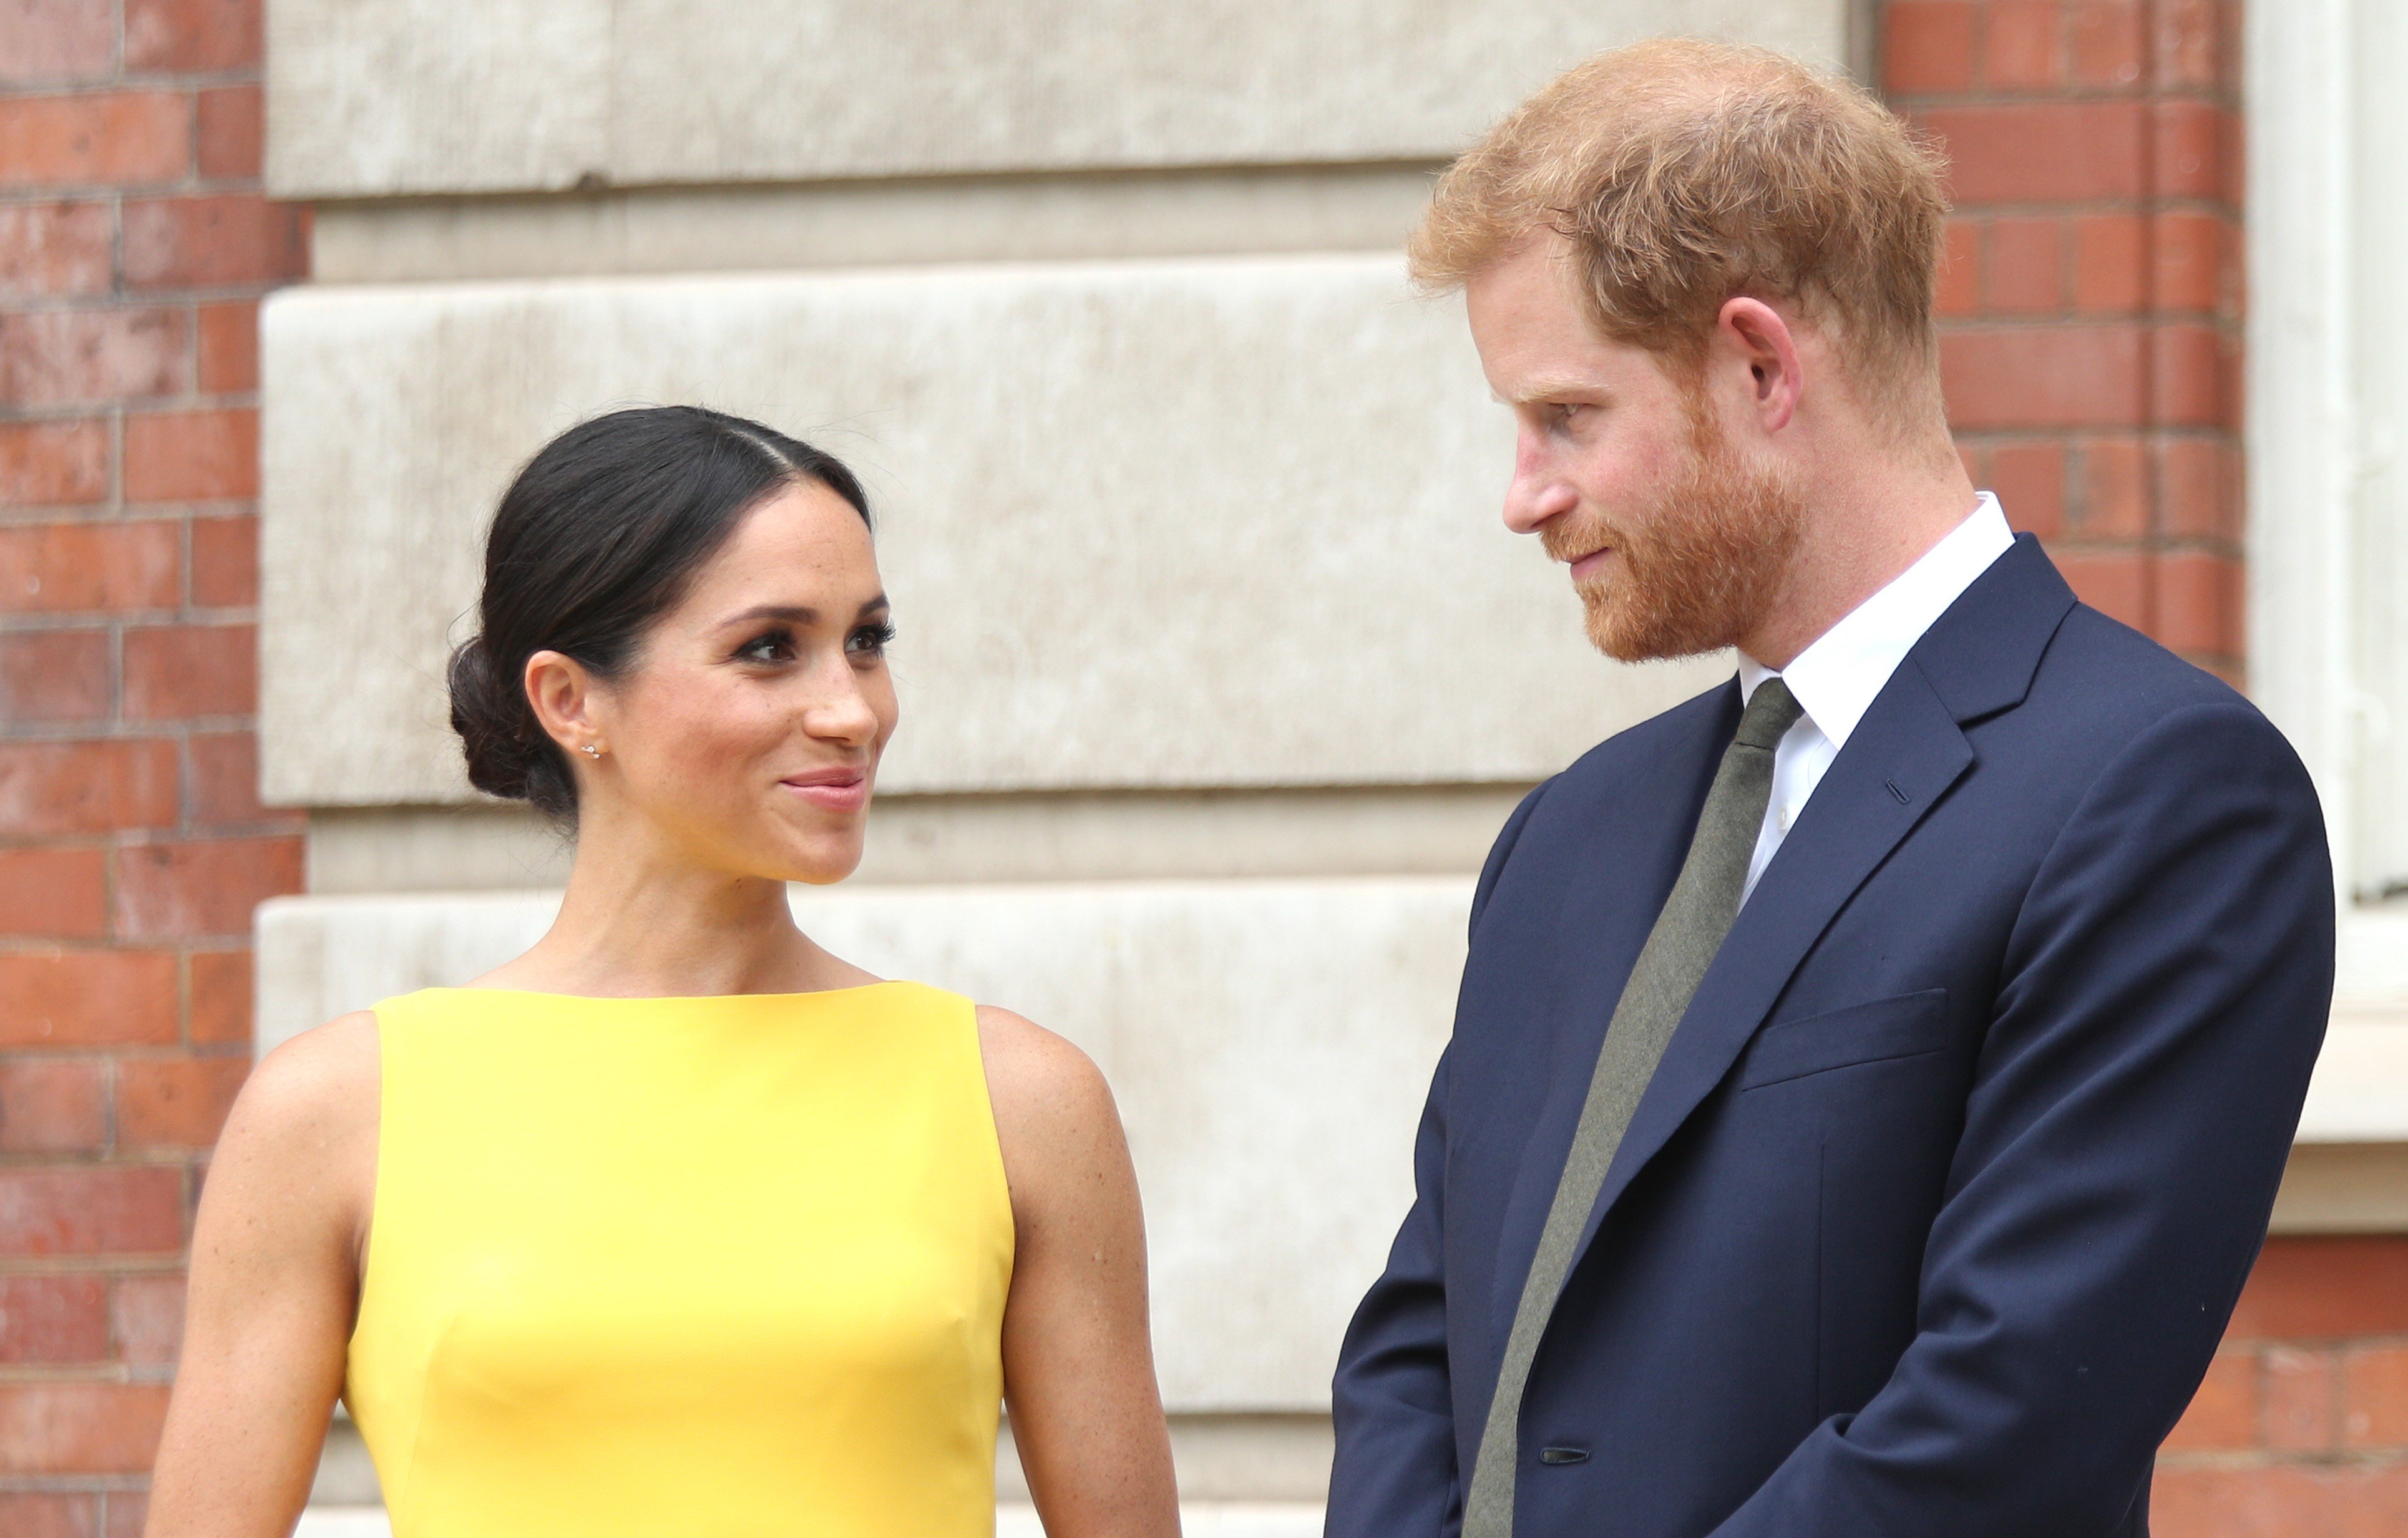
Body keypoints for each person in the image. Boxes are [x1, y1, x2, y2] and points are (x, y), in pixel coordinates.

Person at [1327, 39, 2333, 1538]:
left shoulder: (2160, 799)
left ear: (1757, 366)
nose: (1523, 495)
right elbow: (1421, 1350)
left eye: (1566, 417)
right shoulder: (1568, 837)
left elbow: (2002, 1420)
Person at [145, 407, 1181, 1537]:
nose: (853, 709)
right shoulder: (335, 1112)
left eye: (868, 641)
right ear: (569, 700)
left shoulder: (1020, 1100)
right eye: (770, 647)